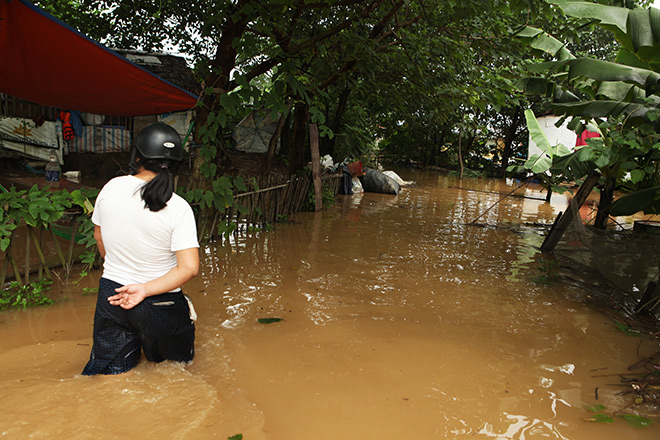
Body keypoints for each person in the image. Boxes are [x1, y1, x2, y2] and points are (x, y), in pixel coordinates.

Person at [82, 122, 199, 375]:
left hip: (113, 294)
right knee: (174, 373)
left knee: (110, 374)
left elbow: (99, 236)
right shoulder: (178, 207)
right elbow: (189, 268)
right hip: (159, 302)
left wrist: (121, 271)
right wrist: (144, 289)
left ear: (137, 156)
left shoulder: (111, 188)